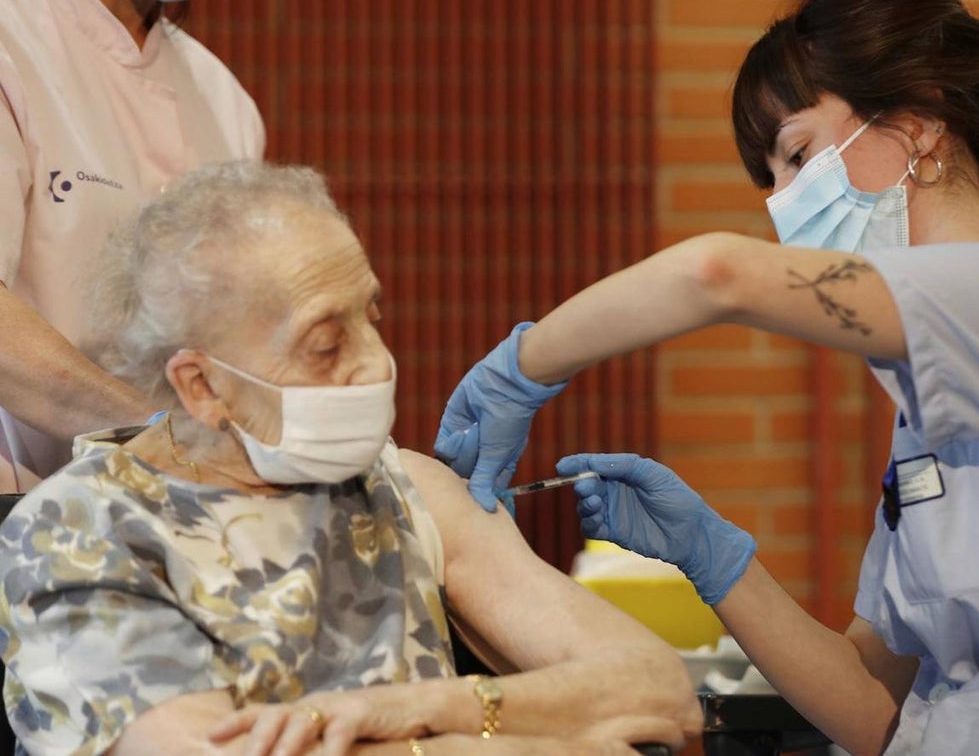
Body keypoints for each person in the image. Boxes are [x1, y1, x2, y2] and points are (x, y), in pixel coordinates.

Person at [433, 0, 979, 754]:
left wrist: (524, 365)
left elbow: (716, 274)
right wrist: (710, 557)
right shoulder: (929, 414)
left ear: (917, 124)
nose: (781, 205)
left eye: (798, 156)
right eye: (769, 179)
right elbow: (873, 702)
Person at [0, 161, 701, 756]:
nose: (375, 363)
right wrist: (532, 743)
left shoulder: (405, 487)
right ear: (202, 385)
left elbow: (658, 687)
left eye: (372, 315)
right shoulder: (80, 534)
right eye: (326, 346)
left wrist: (426, 708)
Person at [0, 0, 264, 492]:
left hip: (186, 509)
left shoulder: (225, 103)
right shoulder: (12, 37)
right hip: (19, 508)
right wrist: (162, 430)